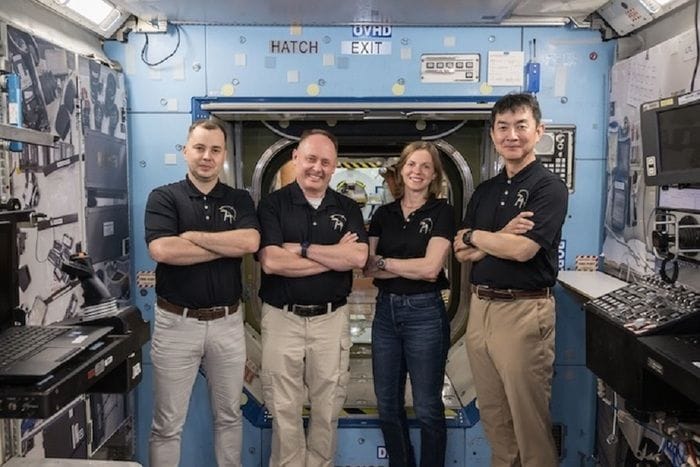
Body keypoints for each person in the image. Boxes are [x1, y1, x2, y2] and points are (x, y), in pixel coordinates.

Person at [453, 93, 568, 467]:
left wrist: (477, 237)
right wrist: (498, 235)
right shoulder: (485, 191)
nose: (512, 135)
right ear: (493, 134)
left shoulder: (548, 187)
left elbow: (523, 250)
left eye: (521, 126)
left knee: (529, 424)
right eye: (503, 127)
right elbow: (460, 250)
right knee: (495, 419)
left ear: (539, 131)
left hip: (524, 312)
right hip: (480, 310)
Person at [145, 119, 260, 467]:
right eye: (199, 148)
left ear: (223, 155)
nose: (207, 156)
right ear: (186, 151)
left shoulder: (239, 199)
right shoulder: (164, 197)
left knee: (229, 416)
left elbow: (250, 242)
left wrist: (193, 237)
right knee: (167, 425)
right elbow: (163, 250)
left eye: (215, 150)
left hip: (228, 324)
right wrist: (225, 247)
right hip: (175, 325)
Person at [257, 128, 369, 467]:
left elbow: (358, 257)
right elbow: (272, 262)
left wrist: (302, 249)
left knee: (328, 407)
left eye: (325, 162)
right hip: (282, 318)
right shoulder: (273, 205)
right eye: (310, 159)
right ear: (295, 158)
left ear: (334, 166)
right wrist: (333, 257)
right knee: (283, 408)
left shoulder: (346, 207)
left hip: (331, 320)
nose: (317, 168)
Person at [364, 141, 455, 467]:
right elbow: (368, 267)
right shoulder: (383, 214)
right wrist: (401, 266)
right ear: (402, 170)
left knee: (428, 407)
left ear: (434, 175)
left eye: (425, 166)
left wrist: (385, 262)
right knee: (387, 405)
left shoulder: (442, 212)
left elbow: (431, 269)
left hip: (425, 314)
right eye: (411, 165)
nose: (417, 171)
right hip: (385, 313)